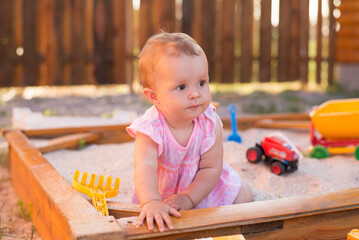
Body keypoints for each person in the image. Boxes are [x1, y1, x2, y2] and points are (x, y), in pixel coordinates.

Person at [126, 32, 252, 232]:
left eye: (202, 83)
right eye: (181, 87)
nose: (195, 94)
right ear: (154, 96)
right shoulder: (151, 129)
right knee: (157, 221)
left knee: (243, 195)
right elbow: (144, 168)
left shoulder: (210, 123)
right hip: (160, 192)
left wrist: (189, 198)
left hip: (201, 187)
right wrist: (151, 201)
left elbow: (211, 169)